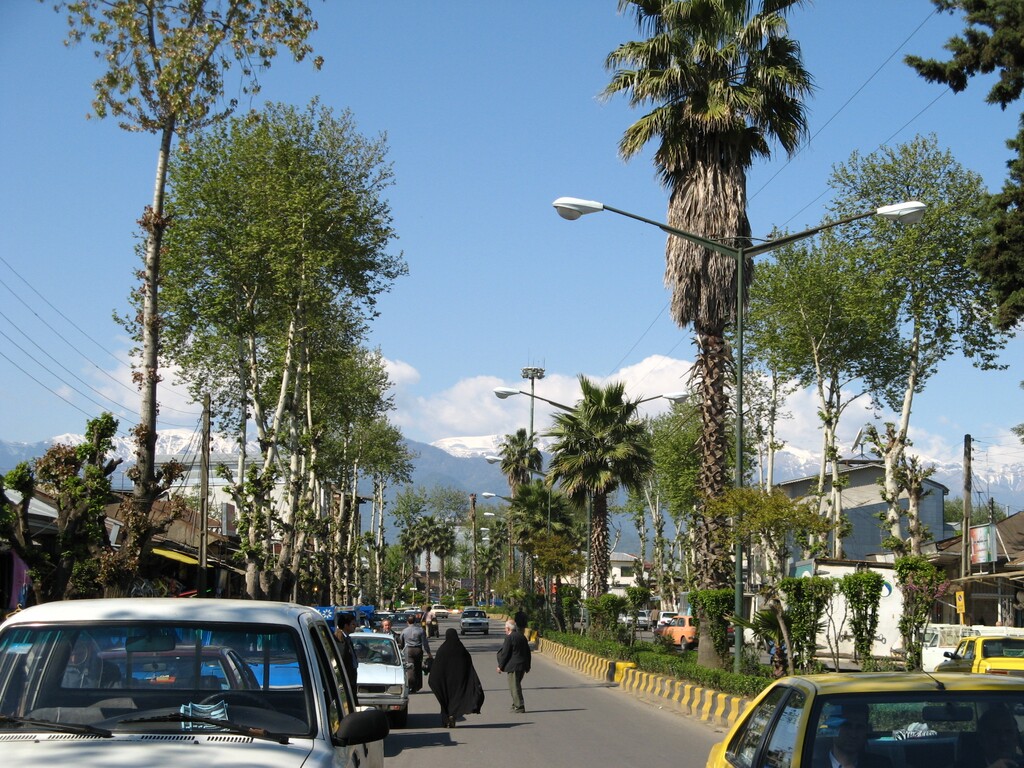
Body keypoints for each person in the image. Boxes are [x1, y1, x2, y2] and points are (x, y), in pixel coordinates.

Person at [428, 628, 485, 728]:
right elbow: (468, 663)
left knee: (446, 700)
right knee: (457, 699)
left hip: (446, 682)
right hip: (459, 682)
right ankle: (453, 716)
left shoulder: (442, 649)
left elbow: (436, 667)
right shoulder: (461, 649)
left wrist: (434, 679)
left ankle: (446, 719)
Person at [817, 702, 891, 768]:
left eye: (860, 727)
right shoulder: (812, 765)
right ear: (832, 728)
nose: (853, 734)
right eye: (846, 726)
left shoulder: (881, 765)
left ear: (866, 730)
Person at [496, 618, 531, 713]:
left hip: (513, 666)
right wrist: (528, 666)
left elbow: (505, 653)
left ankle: (519, 706)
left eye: (505, 628)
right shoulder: (522, 637)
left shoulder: (509, 637)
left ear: (508, 628)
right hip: (522, 666)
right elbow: (528, 652)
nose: (505, 630)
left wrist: (500, 666)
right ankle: (515, 704)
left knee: (514, 687)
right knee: (516, 685)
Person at [399, 614, 432, 693]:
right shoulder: (420, 630)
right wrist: (428, 653)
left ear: (407, 622)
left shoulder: (404, 631)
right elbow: (425, 643)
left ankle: (411, 684)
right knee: (418, 668)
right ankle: (417, 686)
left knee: (410, 667)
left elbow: (401, 642)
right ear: (415, 621)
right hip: (418, 650)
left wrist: (402, 650)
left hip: (408, 650)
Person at [334, 612, 359, 700]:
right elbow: (341, 660)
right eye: (353, 624)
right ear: (346, 625)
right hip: (345, 680)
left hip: (351, 678)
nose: (355, 626)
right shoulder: (339, 639)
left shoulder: (347, 639)